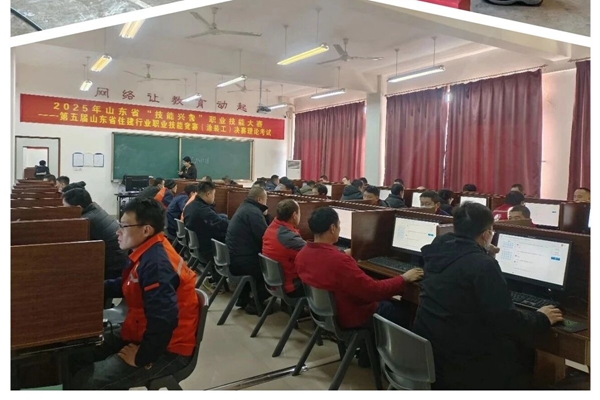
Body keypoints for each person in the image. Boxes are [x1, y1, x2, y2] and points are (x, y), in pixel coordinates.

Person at [412, 202, 562, 390]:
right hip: (461, 363)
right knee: (524, 350)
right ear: (486, 234)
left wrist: (481, 251)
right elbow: (506, 320)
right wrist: (541, 318)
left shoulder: (439, 248)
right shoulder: (483, 265)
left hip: (433, 349)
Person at [69, 198, 199, 390]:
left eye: (124, 226)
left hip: (168, 349)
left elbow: (164, 321)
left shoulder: (157, 264)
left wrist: (141, 357)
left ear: (146, 230)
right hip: (140, 329)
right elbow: (127, 284)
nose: (118, 232)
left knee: (87, 383)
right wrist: (90, 288)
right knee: (75, 354)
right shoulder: (147, 251)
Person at [295, 207, 423, 329]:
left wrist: (341, 253)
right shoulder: (340, 261)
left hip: (324, 314)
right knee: (407, 311)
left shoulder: (302, 254)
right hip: (352, 316)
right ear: (333, 228)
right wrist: (404, 278)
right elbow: (373, 291)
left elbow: (325, 262)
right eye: (339, 225)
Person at [62, 188, 128, 280]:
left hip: (112, 267)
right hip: (120, 258)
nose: (63, 211)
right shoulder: (95, 208)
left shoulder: (86, 221)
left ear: (78, 208)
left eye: (65, 207)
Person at [226, 187, 272, 314]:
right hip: (243, 262)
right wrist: (267, 216)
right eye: (266, 199)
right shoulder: (254, 212)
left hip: (235, 258)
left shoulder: (244, 207)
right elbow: (264, 237)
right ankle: (255, 303)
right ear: (259, 199)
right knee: (274, 271)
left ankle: (244, 298)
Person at [262, 199, 306, 297]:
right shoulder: (288, 237)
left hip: (274, 283)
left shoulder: (272, 228)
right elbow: (311, 254)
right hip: (291, 287)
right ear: (294, 215)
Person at [183, 181, 229, 264]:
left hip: (196, 247)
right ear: (208, 194)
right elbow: (223, 225)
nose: (214, 197)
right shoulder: (204, 211)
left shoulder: (190, 206)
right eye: (214, 194)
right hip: (207, 251)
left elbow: (215, 219)